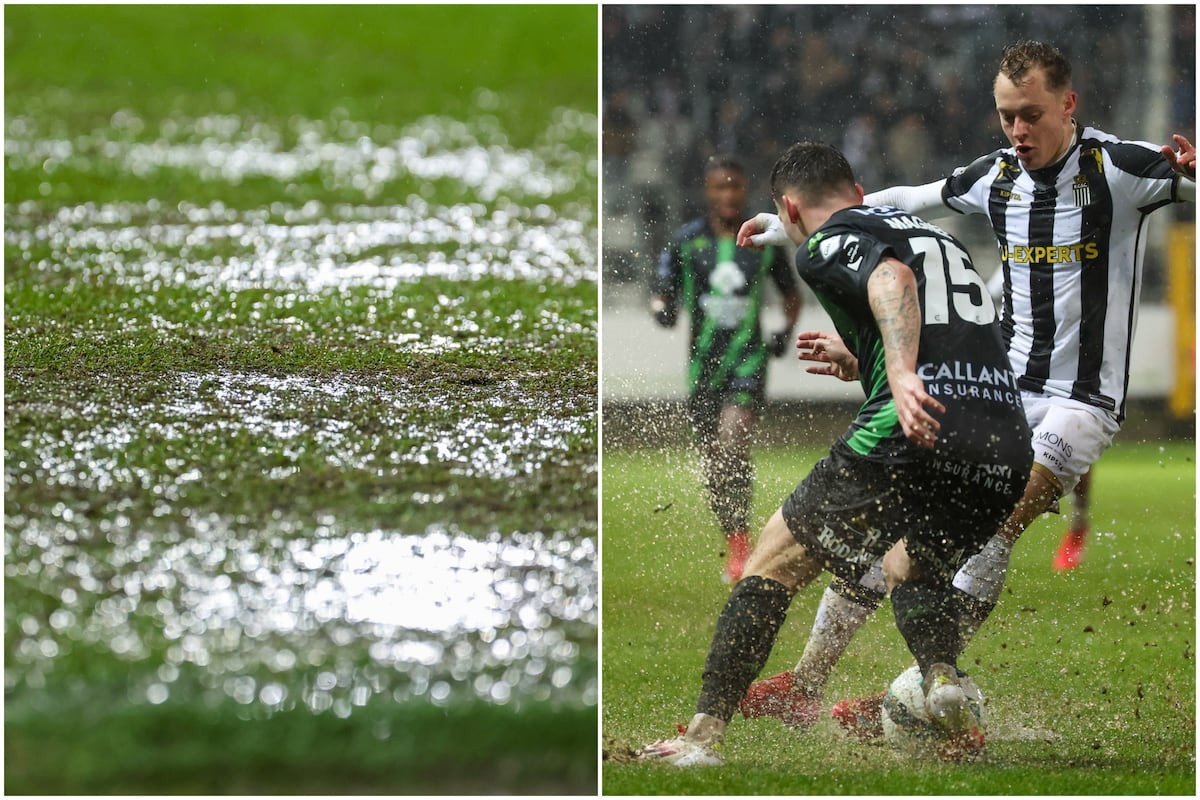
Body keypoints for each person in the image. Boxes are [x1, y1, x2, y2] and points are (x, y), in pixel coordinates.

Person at [738, 40, 1196, 736]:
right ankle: (806, 683)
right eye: (1007, 117)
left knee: (993, 531)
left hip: (1080, 404)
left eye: (1032, 115)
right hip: (1001, 390)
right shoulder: (998, 176)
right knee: (895, 520)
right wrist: (790, 224)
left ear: (1068, 106)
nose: (1019, 131)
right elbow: (901, 202)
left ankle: (933, 688)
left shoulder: (1122, 169)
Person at [638, 141, 1032, 766]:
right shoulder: (932, 234)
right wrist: (866, 362)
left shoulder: (824, 242)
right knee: (909, 568)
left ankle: (701, 739)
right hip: (1005, 441)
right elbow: (943, 323)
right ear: (856, 187)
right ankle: (941, 680)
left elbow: (890, 279)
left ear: (789, 207)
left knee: (771, 562)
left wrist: (899, 375)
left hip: (913, 424)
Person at [650, 154, 803, 583]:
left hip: (747, 361)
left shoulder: (762, 241)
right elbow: (662, 293)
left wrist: (783, 333)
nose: (728, 195)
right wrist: (660, 309)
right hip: (702, 368)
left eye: (734, 186)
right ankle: (737, 536)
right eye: (720, 187)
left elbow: (792, 296)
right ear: (707, 191)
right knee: (714, 461)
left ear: (744, 189)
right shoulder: (687, 242)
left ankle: (741, 554)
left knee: (733, 442)